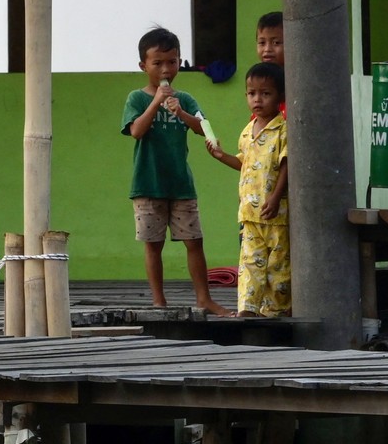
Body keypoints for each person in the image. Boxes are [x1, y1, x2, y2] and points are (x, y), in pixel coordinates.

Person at [122, 27, 229, 316]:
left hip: (181, 184)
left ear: (180, 62)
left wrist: (180, 112)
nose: (166, 69)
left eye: (172, 62)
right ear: (143, 66)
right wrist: (157, 102)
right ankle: (159, 301)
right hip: (147, 185)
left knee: (194, 242)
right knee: (153, 245)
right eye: (157, 63)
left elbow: (202, 128)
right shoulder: (137, 98)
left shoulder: (187, 98)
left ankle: (204, 299)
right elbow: (136, 132)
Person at [207, 62, 290, 317]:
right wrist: (221, 156)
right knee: (250, 264)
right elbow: (243, 163)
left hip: (276, 216)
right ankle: (249, 309)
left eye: (266, 94)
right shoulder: (246, 132)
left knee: (278, 267)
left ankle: (278, 310)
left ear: (280, 97)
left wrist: (275, 197)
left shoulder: (283, 129)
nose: (258, 99)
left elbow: (287, 166)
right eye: (252, 93)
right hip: (249, 215)